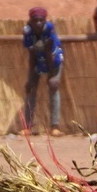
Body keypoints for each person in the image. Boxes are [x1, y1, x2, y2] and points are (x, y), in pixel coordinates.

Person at [21, 7, 64, 136]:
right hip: (38, 62)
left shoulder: (49, 31)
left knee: (53, 88)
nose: (38, 23)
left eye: (41, 20)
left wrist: (54, 77)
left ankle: (54, 126)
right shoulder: (28, 33)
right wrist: (30, 78)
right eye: (35, 20)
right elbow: (32, 55)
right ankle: (28, 126)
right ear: (31, 21)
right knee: (30, 89)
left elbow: (52, 57)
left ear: (45, 20)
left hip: (54, 61)